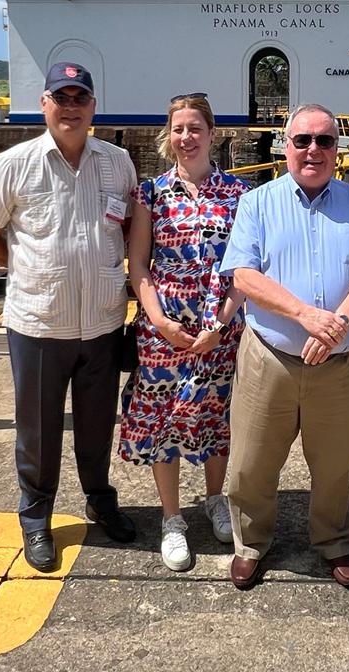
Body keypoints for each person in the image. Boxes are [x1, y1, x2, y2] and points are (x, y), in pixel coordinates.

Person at [218, 103, 349, 591]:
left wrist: (335, 325)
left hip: (338, 363)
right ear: (285, 146)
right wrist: (305, 316)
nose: (313, 150)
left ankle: (334, 541)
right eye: (302, 140)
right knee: (251, 463)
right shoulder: (257, 203)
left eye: (324, 140)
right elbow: (244, 274)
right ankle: (251, 543)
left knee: (336, 462)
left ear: (337, 149)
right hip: (268, 358)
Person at [0, 61, 138, 573]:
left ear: (93, 106)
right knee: (38, 428)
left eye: (79, 98)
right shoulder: (13, 164)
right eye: (60, 98)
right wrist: (31, 268)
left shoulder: (118, 163)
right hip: (40, 323)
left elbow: (129, 228)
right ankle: (37, 513)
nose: (70, 107)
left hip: (104, 321)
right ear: (44, 104)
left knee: (95, 423)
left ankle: (99, 498)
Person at [120, 93, 250, 571]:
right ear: (168, 136)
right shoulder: (151, 193)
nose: (186, 137)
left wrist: (220, 324)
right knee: (163, 419)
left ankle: (216, 498)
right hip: (164, 327)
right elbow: (138, 264)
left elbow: (243, 268)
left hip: (219, 327)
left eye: (196, 128)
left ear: (213, 134)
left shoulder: (238, 195)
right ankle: (172, 518)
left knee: (217, 414)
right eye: (178, 129)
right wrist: (158, 320)